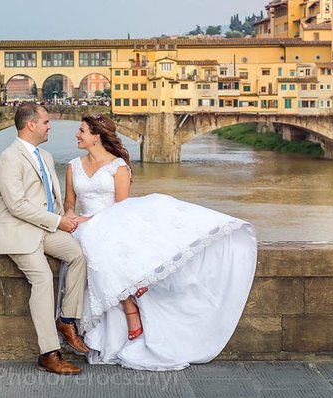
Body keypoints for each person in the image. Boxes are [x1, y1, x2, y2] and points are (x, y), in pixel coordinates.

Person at [63, 113, 258, 371]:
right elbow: (68, 203)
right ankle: (132, 296)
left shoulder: (118, 167)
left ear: (96, 137)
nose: (77, 135)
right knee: (92, 242)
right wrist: (70, 217)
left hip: (109, 223)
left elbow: (121, 209)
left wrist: (87, 221)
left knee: (101, 243)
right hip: (82, 228)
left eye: (82, 131)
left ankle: (130, 304)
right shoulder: (73, 166)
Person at [0, 104, 89, 375]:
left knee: (78, 254)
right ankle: (49, 353)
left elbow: (50, 199)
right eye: (46, 121)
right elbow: (17, 205)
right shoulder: (8, 157)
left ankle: (67, 320)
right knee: (43, 279)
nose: (50, 126)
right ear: (31, 125)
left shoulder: (44, 156)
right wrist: (58, 222)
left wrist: (66, 220)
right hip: (19, 231)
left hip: (44, 229)